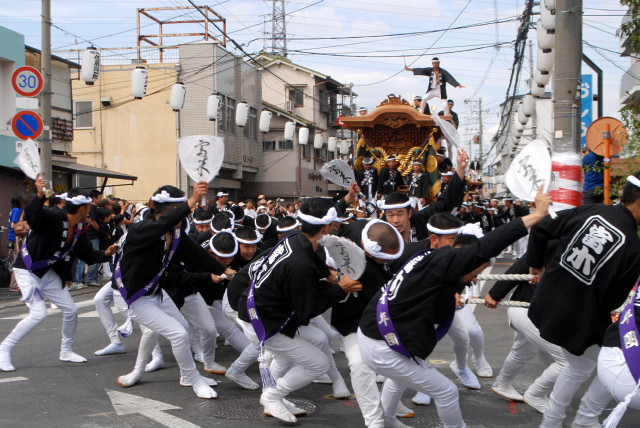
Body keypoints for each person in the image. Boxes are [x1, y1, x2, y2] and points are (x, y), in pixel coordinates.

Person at [358, 188, 552, 428]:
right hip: (382, 344)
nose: (475, 278)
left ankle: (387, 419)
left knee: (402, 376)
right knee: (447, 391)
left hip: (377, 333)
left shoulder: (425, 257)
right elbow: (487, 246)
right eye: (477, 271)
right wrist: (536, 216)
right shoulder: (444, 260)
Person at [527, 172, 640, 428]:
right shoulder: (633, 246)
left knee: (589, 364)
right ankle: (575, 419)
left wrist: (537, 266)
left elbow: (541, 227)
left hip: (546, 301)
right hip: (578, 318)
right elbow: (613, 300)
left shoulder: (591, 211)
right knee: (613, 360)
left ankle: (566, 419)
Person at [237, 198, 362, 423]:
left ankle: (273, 394)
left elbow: (312, 260)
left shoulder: (295, 238)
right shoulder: (300, 264)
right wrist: (341, 289)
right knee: (319, 363)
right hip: (264, 321)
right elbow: (308, 310)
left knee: (317, 339)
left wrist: (329, 276)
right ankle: (272, 396)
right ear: (326, 228)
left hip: (262, 310)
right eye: (334, 224)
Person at [114, 182, 230, 399]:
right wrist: (192, 200)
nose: (186, 216)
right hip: (134, 297)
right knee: (178, 334)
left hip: (155, 291)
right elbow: (160, 226)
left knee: (174, 329)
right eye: (182, 210)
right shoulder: (141, 229)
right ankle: (193, 379)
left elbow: (196, 254)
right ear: (172, 210)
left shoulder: (174, 232)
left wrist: (224, 270)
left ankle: (143, 372)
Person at [0, 178, 118, 372]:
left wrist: (106, 253)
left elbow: (88, 256)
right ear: (82, 209)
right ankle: (4, 349)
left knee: (71, 310)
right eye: (89, 208)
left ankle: (66, 351)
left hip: (49, 272)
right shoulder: (54, 216)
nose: (90, 212)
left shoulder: (80, 229)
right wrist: (39, 195)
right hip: (28, 270)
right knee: (38, 314)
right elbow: (33, 215)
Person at [485, 252, 568, 413]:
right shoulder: (552, 245)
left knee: (523, 351)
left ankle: (502, 384)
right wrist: (495, 294)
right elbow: (519, 268)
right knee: (567, 361)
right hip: (525, 310)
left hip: (540, 313)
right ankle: (536, 394)